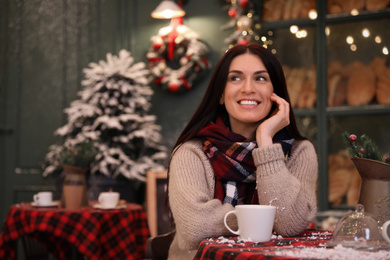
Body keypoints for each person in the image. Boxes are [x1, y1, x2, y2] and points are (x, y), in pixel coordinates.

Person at [167, 43, 318, 259]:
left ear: (275, 93)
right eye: (235, 78)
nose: (248, 88)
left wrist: (266, 141)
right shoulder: (191, 153)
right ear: (221, 94)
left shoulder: (300, 152)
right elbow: (195, 227)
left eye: (260, 78)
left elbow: (289, 223)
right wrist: (265, 220)